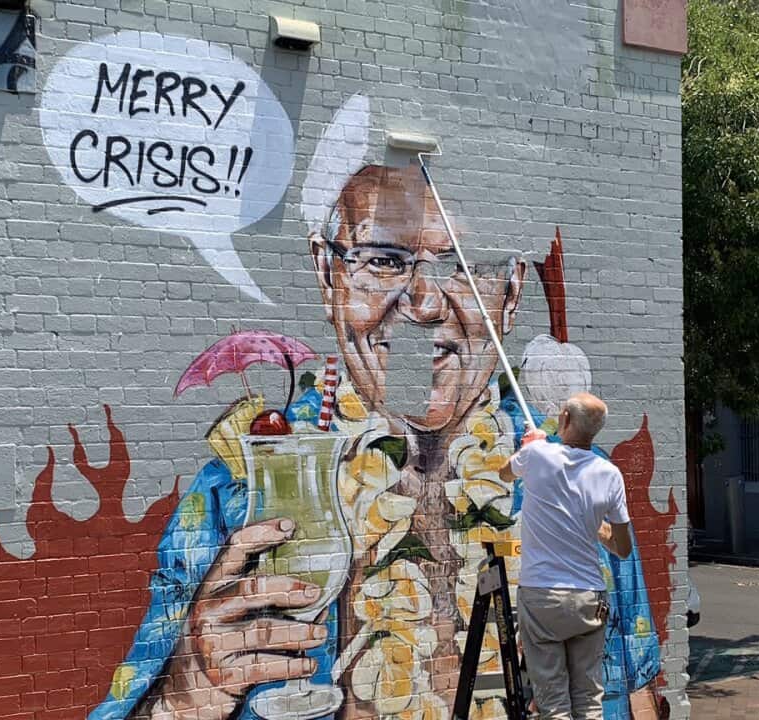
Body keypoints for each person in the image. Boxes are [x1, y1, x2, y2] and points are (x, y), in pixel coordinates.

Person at [91, 166, 659, 720]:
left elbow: (634, 688)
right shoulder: (242, 487)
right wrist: (186, 698)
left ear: (511, 293)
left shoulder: (582, 474)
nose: (424, 303)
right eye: (383, 261)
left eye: (462, 269)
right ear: (327, 274)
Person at [499, 393, 634, 720]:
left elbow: (505, 473)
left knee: (553, 702)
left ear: (565, 419)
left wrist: (528, 445)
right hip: (588, 596)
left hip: (542, 596)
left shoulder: (536, 454)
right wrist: (593, 527)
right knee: (589, 699)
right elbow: (623, 546)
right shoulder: (609, 473)